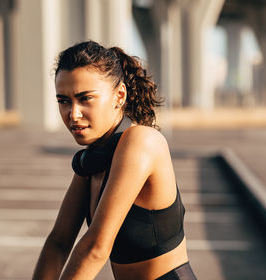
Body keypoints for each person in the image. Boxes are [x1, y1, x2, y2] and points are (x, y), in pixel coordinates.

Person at [32, 40, 197, 280]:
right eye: (63, 101)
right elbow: (58, 242)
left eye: (85, 98)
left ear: (119, 95)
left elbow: (96, 248)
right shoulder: (93, 158)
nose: (73, 114)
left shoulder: (141, 141)